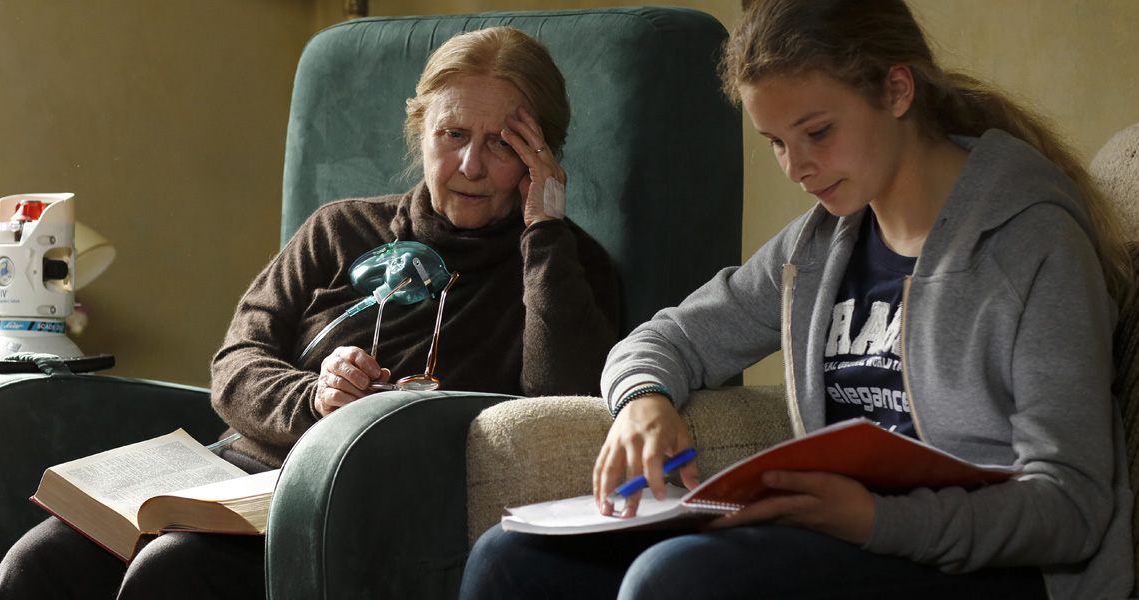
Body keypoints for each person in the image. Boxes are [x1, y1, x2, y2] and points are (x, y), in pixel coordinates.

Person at [460, 1, 1134, 599]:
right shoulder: (818, 246)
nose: (796, 166)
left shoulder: (1031, 241)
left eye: (817, 132)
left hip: (995, 569)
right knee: (512, 558)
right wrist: (643, 401)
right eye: (776, 142)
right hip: (842, 542)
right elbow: (666, 338)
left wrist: (875, 520)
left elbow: (1071, 508)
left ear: (896, 90)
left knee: (680, 580)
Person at [0, 26, 619, 600]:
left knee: (174, 574)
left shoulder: (569, 268)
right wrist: (315, 397)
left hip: (355, 507)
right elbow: (236, 363)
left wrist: (544, 237)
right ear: (421, 131)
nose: (471, 166)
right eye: (452, 135)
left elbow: (563, 413)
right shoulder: (340, 230)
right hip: (235, 480)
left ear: (541, 156)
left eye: (502, 144)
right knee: (37, 565)